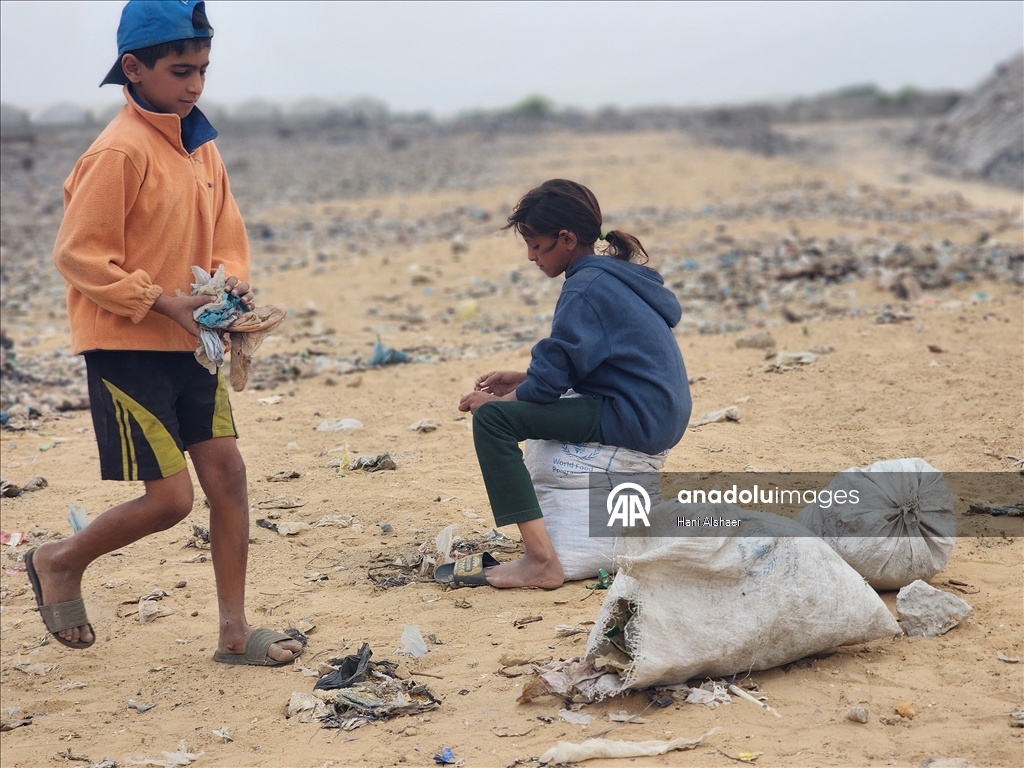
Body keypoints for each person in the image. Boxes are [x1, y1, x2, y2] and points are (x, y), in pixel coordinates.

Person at [26, 0, 302, 667]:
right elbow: (79, 254)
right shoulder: (118, 151)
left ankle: (234, 635)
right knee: (171, 499)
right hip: (127, 346)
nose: (195, 85)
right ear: (134, 68)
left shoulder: (200, 145)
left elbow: (226, 236)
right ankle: (59, 560)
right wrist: (159, 301)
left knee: (229, 477)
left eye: (203, 70)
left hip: (190, 343)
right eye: (181, 71)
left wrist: (228, 289)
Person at [447, 179, 691, 589]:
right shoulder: (613, 276)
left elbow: (546, 389)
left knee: (493, 423)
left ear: (566, 238)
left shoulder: (584, 288)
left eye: (537, 246)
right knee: (507, 408)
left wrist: (500, 402)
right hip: (655, 409)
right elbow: (584, 361)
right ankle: (544, 555)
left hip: (635, 416)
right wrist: (524, 378)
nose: (530, 256)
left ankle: (541, 561)